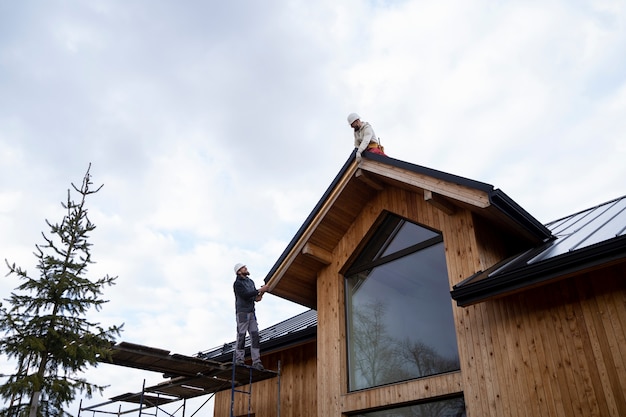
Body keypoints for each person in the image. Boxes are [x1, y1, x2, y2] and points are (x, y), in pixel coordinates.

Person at [233, 263, 269, 370]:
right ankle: (239, 359)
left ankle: (256, 361)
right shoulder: (237, 284)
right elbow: (245, 295)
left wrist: (262, 293)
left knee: (255, 336)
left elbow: (255, 298)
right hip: (243, 312)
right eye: (243, 268)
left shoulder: (250, 282)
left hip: (251, 312)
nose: (246, 268)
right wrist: (259, 290)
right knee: (242, 335)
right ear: (239, 271)